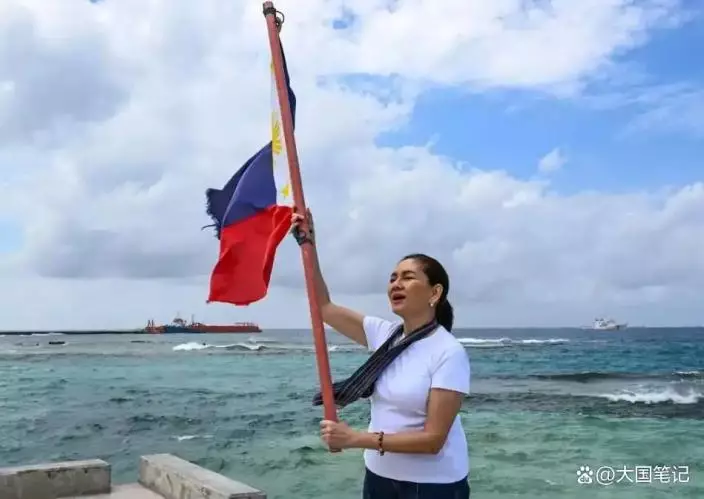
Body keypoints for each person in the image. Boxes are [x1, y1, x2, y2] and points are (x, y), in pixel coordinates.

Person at [290, 210, 471, 499]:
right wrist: (308, 244)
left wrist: (354, 439)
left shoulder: (448, 352)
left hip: (432, 486)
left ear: (434, 293)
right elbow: (323, 307)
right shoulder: (385, 335)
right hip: (379, 478)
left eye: (408, 277)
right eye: (392, 278)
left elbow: (433, 440)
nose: (396, 284)